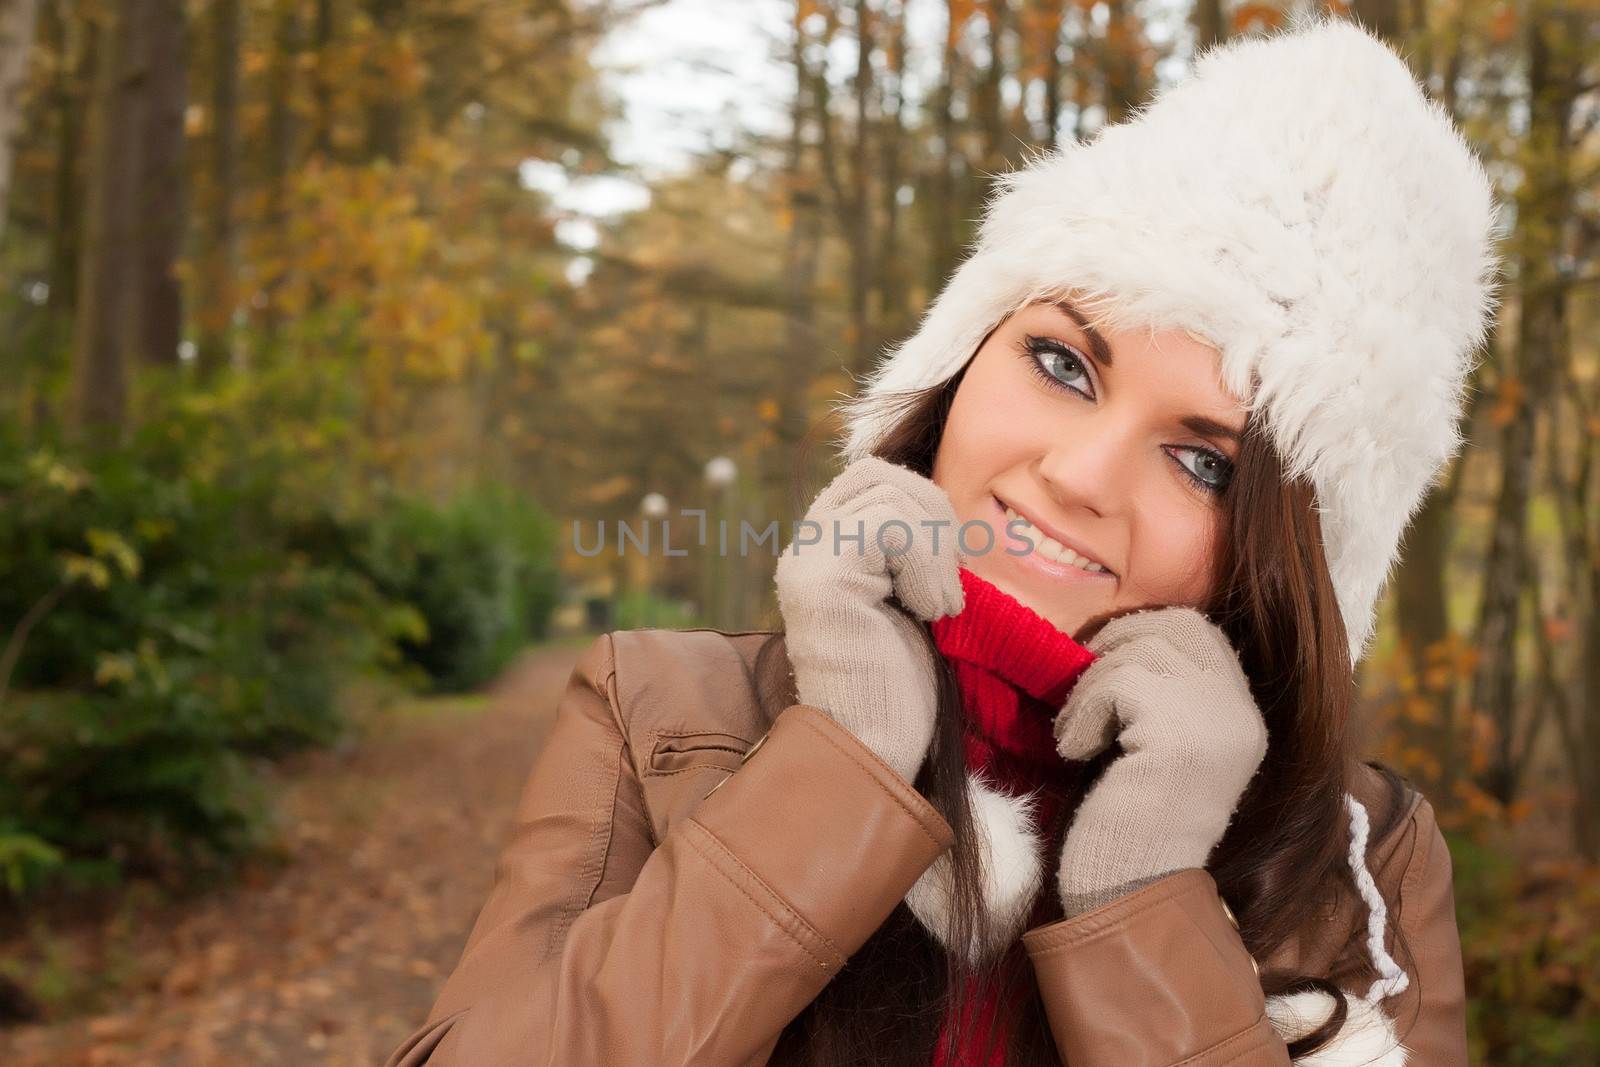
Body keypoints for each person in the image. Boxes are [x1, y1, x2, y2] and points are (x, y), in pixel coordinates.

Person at [384, 14, 1500, 1067]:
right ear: (960, 361)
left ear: (1288, 558)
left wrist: (1143, 896)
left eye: (1203, 460)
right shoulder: (667, 710)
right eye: (1063, 363)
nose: (1074, 474)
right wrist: (841, 768)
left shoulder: (1360, 858)